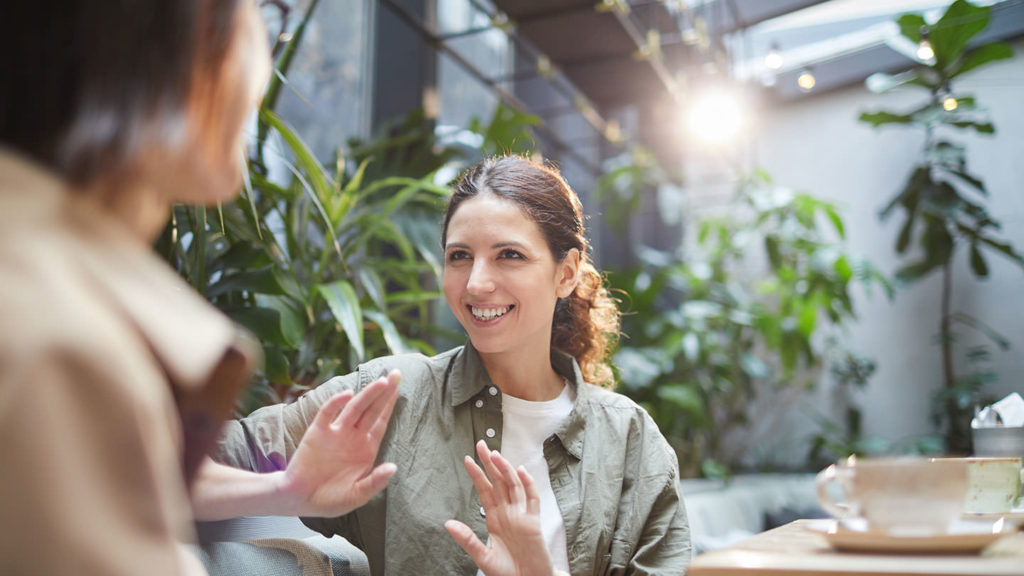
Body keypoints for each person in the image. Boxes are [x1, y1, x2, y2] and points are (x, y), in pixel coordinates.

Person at [0, 1, 398, 574]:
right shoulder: (63, 343)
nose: (267, 55)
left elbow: (119, 477)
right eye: (261, 16)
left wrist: (288, 487)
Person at [210, 155, 692, 575]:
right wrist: (285, 487)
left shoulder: (631, 443)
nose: (477, 283)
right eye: (459, 256)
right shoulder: (389, 398)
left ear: (565, 273)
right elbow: (190, 457)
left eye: (509, 255)